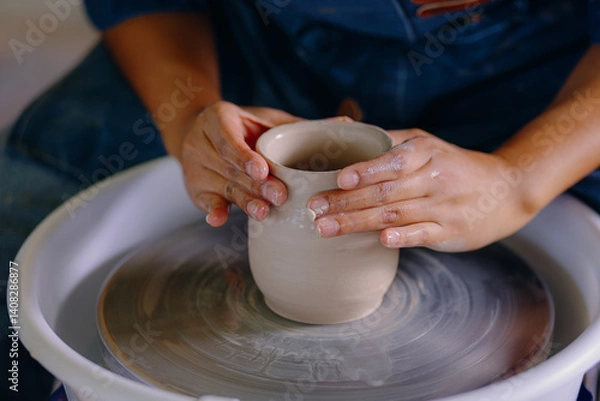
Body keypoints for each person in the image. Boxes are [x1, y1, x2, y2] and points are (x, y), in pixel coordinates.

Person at [1, 0, 598, 399]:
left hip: (543, 79)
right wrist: (186, 123)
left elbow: (523, 178)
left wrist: (518, 180)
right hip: (255, 41)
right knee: (15, 274)